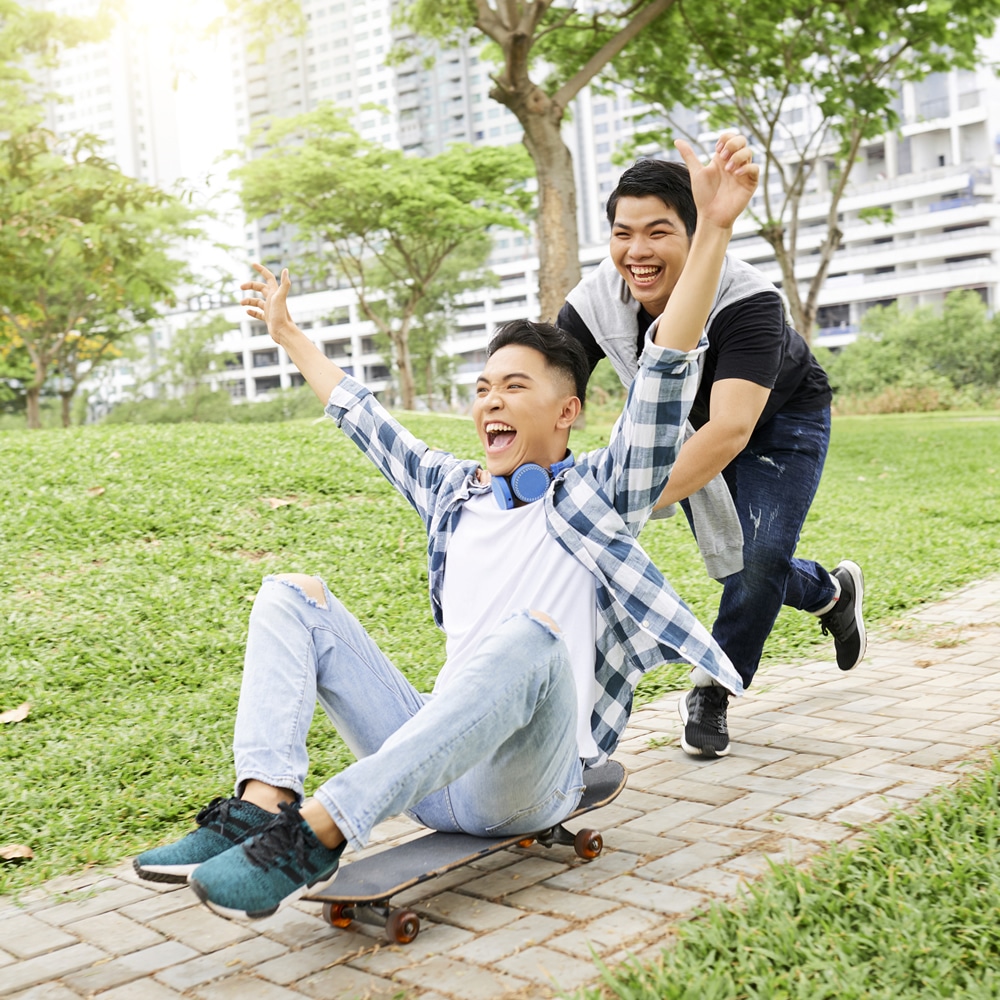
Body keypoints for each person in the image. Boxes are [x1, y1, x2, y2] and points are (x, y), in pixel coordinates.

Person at [132, 136, 757, 922]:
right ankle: (264, 807)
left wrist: (717, 233)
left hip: (530, 782)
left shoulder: (604, 491)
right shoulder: (450, 492)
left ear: (567, 412)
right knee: (293, 596)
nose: (490, 402)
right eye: (483, 387)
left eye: (515, 387)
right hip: (434, 770)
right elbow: (362, 415)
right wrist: (289, 334)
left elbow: (667, 372)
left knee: (528, 638)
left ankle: (319, 832)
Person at [557, 144, 866, 760]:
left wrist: (628, 501)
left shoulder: (749, 300)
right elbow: (552, 390)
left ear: (699, 234)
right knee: (741, 564)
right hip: (687, 428)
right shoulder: (594, 303)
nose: (636, 253)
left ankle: (714, 685)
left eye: (658, 233)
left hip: (782, 419)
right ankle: (832, 593)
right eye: (622, 234)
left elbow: (729, 429)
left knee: (758, 559)